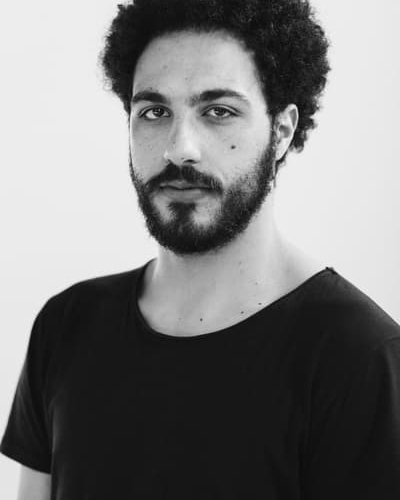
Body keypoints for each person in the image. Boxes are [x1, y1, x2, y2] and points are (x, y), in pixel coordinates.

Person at [1, 0, 400, 498]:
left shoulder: (360, 359)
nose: (179, 148)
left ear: (281, 131)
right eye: (154, 111)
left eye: (218, 111)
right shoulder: (65, 327)